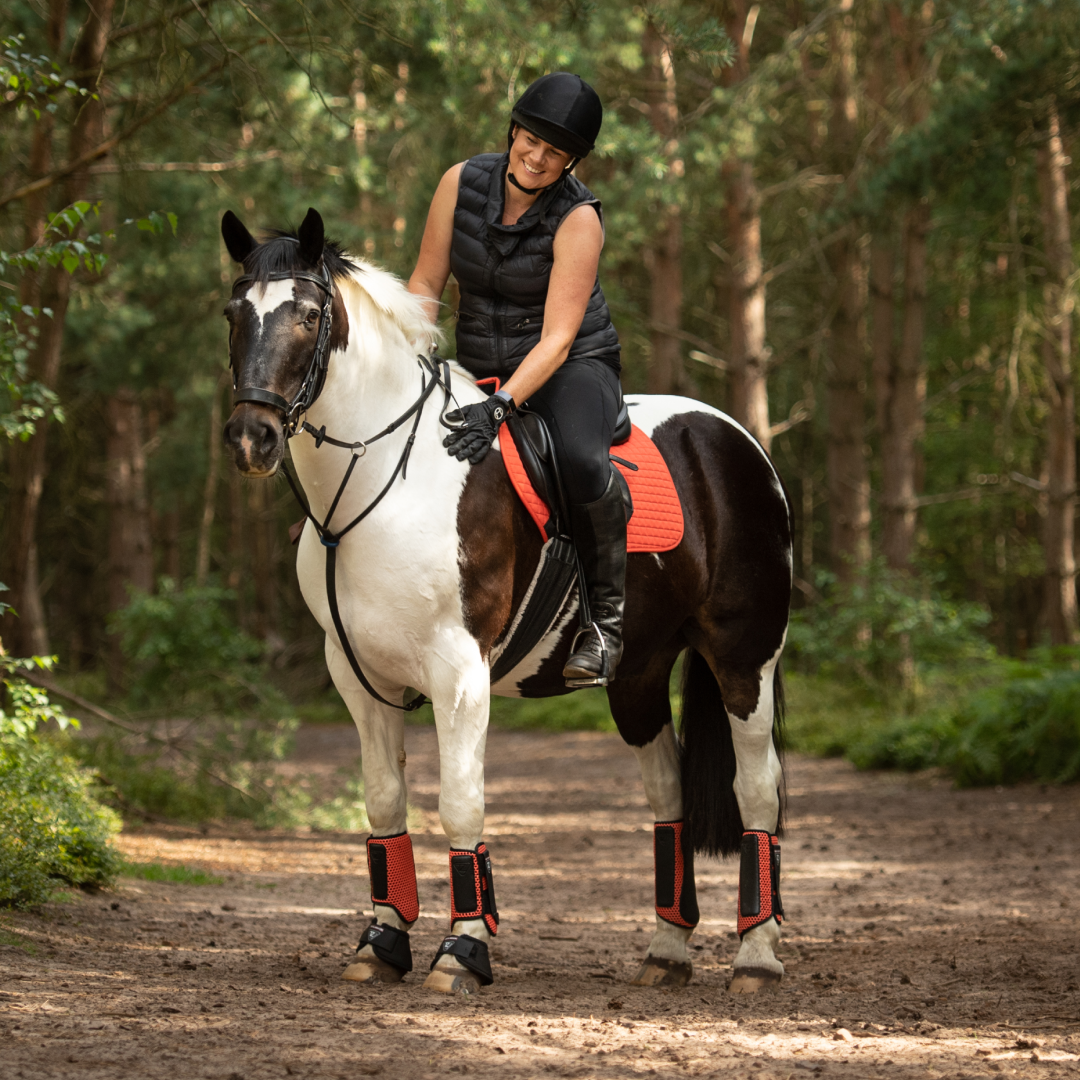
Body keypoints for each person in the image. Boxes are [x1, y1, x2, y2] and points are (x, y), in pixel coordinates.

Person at [407, 72, 626, 687]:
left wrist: (499, 405)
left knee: (583, 460)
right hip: (478, 362)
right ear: (513, 130)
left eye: (554, 152)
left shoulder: (579, 219)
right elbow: (425, 282)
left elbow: (557, 338)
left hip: (569, 365)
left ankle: (606, 624)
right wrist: (410, 352)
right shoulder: (460, 182)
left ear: (571, 161)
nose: (535, 157)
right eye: (530, 140)